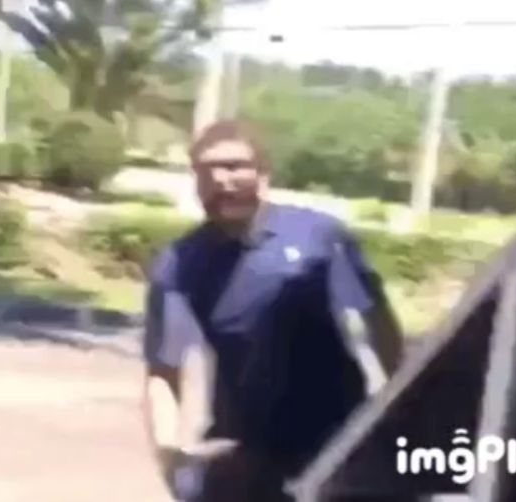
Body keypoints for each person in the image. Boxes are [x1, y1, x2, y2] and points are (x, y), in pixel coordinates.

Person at [142, 120, 404, 501]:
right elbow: (162, 372)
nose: (221, 179)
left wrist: (396, 409)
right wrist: (168, 453)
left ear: (263, 174)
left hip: (338, 440)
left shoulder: (320, 237)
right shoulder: (182, 262)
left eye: (234, 166)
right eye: (207, 169)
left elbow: (378, 322)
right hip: (244, 448)